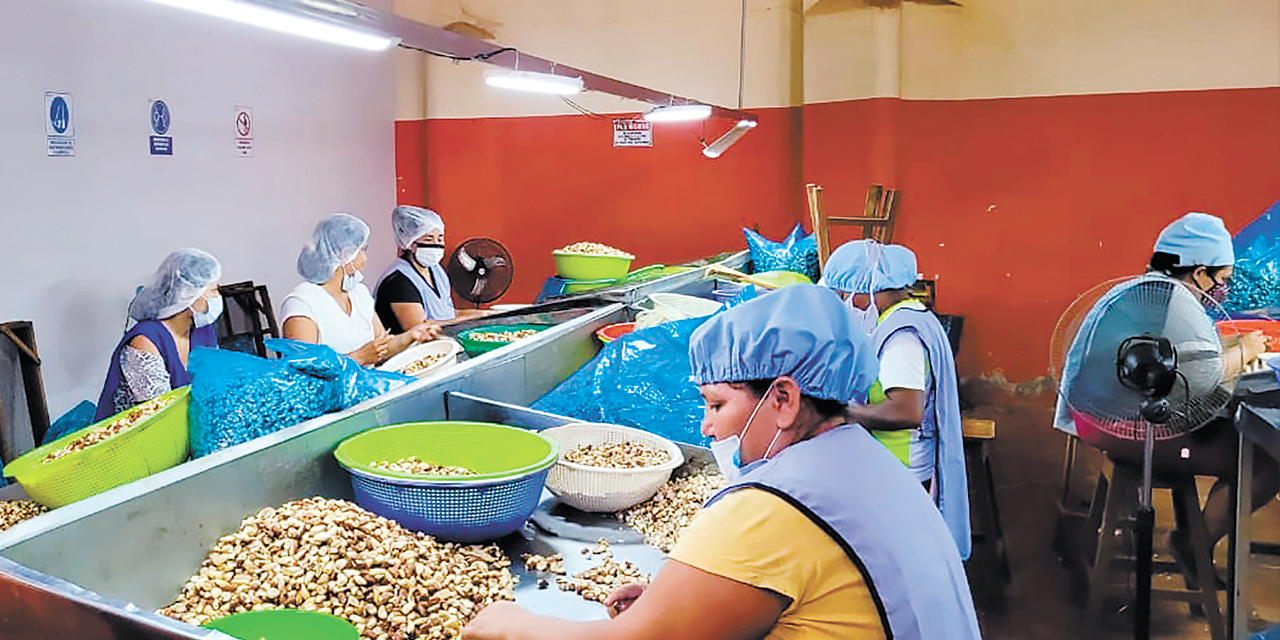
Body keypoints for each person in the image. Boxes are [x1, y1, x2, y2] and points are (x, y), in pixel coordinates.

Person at [462, 285, 981, 640]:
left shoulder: (773, 507)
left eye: (715, 405)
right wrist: (695, 599)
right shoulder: (863, 460)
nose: (707, 428)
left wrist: (515, 623)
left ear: (783, 399)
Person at [1054, 212, 1273, 566]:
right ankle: (1194, 547)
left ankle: (1193, 543)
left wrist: (1232, 351)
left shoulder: (1140, 290)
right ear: (1200, 273)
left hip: (1096, 420)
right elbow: (1202, 378)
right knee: (1264, 458)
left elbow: (1177, 361)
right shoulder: (1179, 301)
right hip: (1136, 430)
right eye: (1222, 279)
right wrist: (1245, 351)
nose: (1224, 289)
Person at [818, 239, 970, 561]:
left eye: (845, 295)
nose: (846, 304)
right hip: (899, 464)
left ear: (868, 290)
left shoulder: (902, 335)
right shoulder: (909, 317)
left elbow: (906, 410)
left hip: (905, 466)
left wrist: (841, 413)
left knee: (898, 557)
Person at [281, 213, 440, 366]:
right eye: (363, 250)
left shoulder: (359, 293)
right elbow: (302, 371)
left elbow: (381, 346)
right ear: (344, 254)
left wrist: (411, 336)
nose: (366, 258)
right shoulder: (302, 303)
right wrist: (359, 357)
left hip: (370, 387)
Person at [95, 249, 223, 420]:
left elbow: (215, 385)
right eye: (213, 290)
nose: (218, 297)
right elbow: (162, 415)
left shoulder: (202, 329)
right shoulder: (146, 342)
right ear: (188, 294)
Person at [375, 205, 457, 332]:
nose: (436, 244)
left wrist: (484, 316)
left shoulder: (436, 271)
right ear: (410, 244)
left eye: (440, 238)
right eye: (429, 239)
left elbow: (448, 315)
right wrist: (468, 323)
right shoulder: (398, 282)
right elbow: (418, 330)